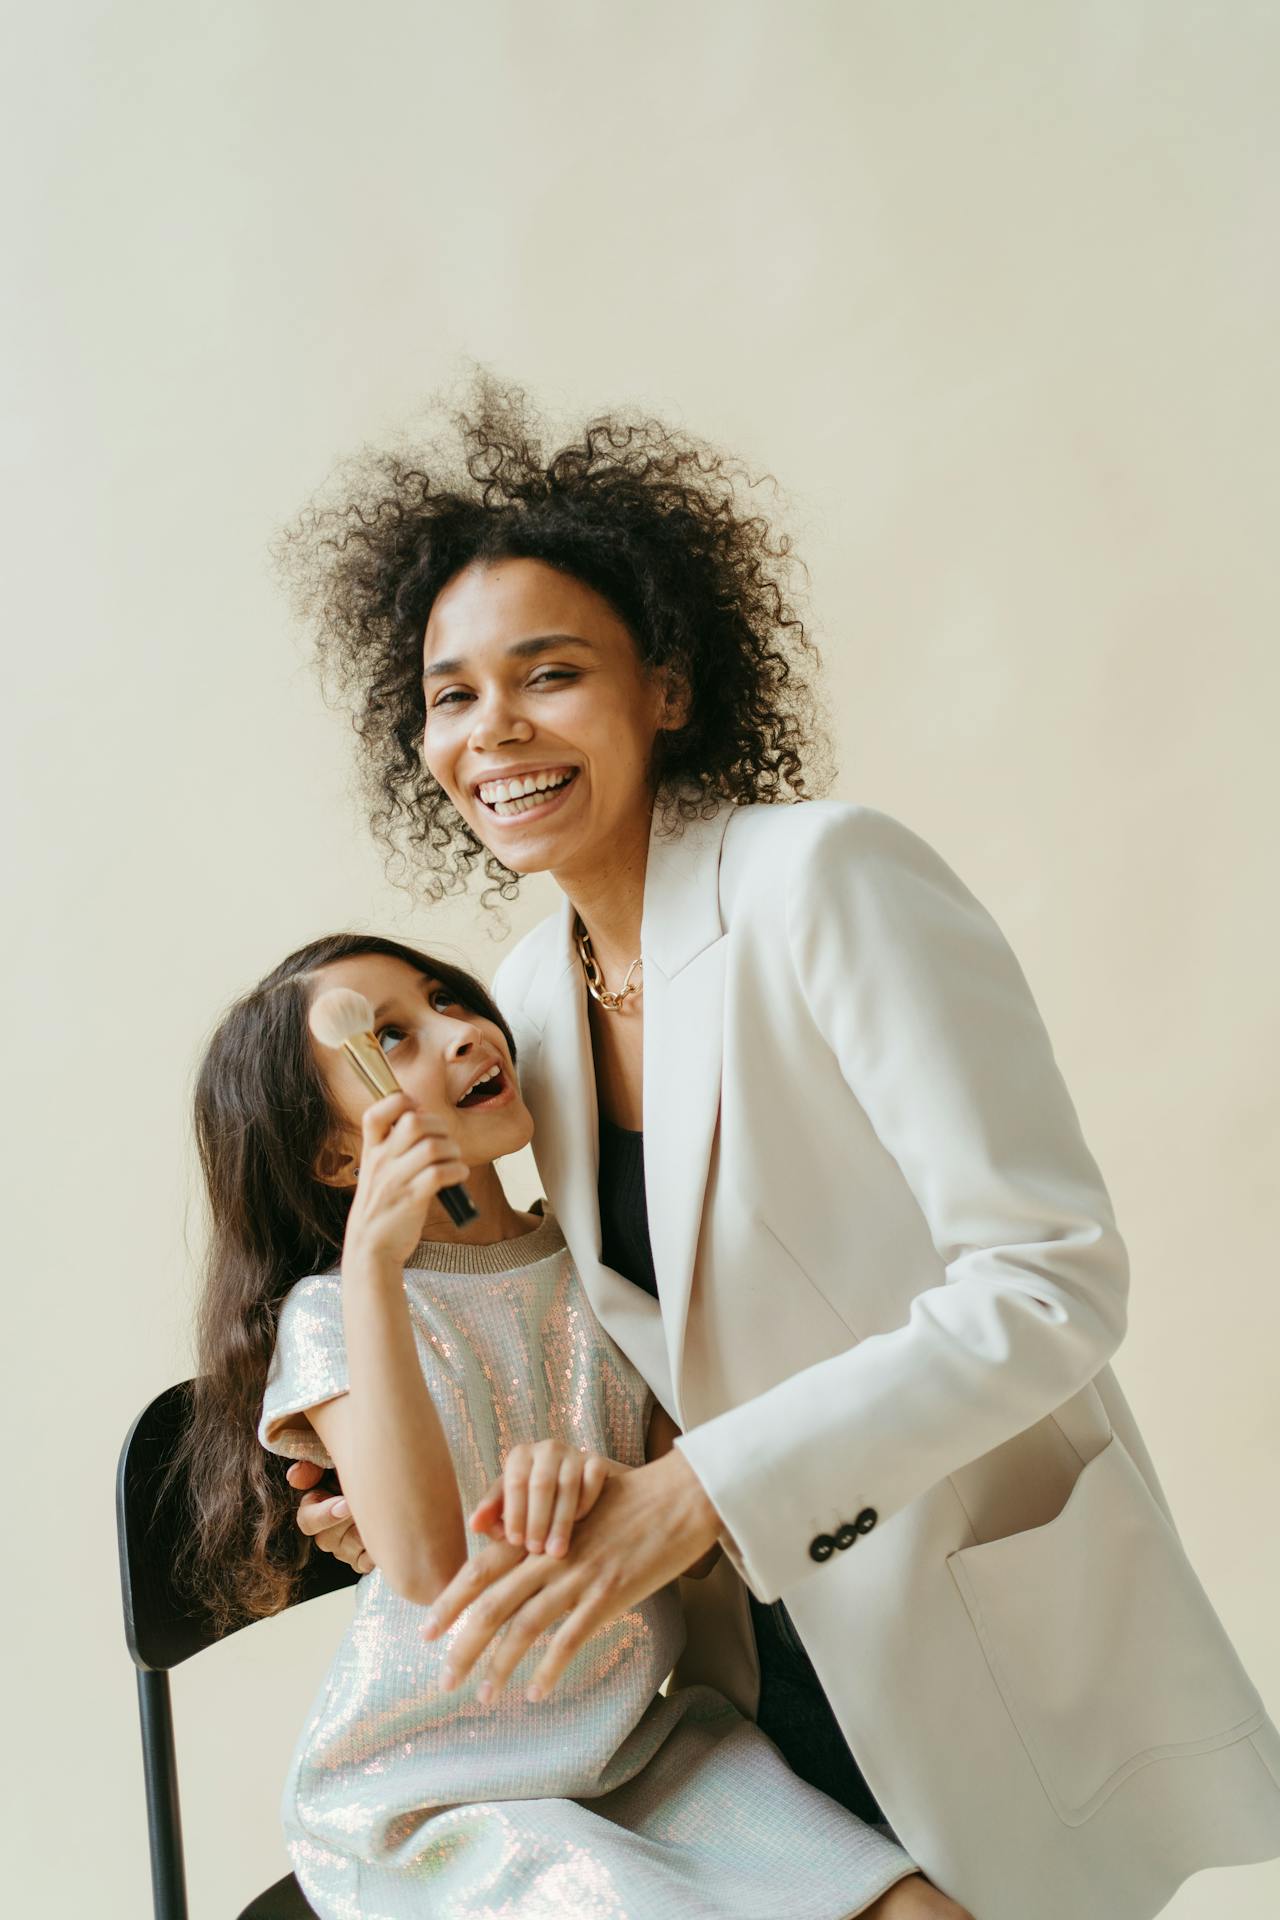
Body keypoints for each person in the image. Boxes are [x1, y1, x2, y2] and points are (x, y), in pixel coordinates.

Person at [280, 380, 1280, 1920]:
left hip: (955, 1605)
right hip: (737, 1676)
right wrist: (422, 1475)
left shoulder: (826, 881)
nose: (497, 734)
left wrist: (700, 1496)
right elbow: (619, 1328)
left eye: (551, 673)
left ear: (667, 688)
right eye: (453, 694)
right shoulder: (526, 1000)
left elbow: (1052, 1283)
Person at [179, 929, 954, 1919]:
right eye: (393, 1039)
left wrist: (602, 1490)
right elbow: (422, 1566)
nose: (458, 1035)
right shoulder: (336, 1316)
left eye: (444, 1002)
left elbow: (698, 1541)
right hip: (438, 1799)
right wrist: (374, 1263)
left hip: (644, 1747)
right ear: (338, 1153)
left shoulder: (596, 1258)